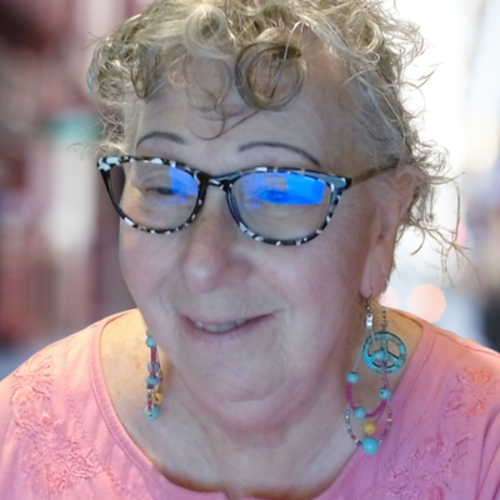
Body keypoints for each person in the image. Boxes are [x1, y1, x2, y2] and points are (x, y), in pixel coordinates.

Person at [1, 0, 500, 498]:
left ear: (382, 227)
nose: (202, 264)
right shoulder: (25, 434)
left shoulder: (484, 448)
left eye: (278, 191)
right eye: (164, 185)